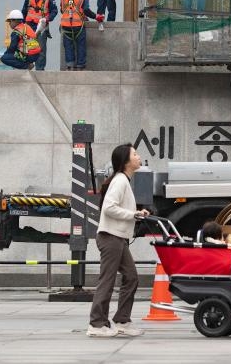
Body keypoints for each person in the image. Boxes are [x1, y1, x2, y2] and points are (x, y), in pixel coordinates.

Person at [87, 143, 150, 338]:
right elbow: (109, 208)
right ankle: (97, 324)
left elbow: (117, 208)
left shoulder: (123, 180)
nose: (139, 157)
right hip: (110, 237)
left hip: (118, 238)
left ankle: (122, 320)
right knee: (107, 280)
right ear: (126, 161)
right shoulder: (120, 180)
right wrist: (133, 215)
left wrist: (137, 213)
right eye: (135, 154)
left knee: (131, 277)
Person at [60, 0, 102, 70]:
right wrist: (96, 17)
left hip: (65, 25)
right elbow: (86, 9)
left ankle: (70, 66)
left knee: (68, 45)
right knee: (80, 45)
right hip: (78, 25)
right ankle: (80, 66)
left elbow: (62, 10)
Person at [21, 0, 57, 70]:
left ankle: (40, 70)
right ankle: (28, 66)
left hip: (42, 28)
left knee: (41, 50)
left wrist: (47, 19)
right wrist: (22, 24)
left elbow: (54, 11)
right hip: (29, 27)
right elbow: (24, 10)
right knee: (29, 48)